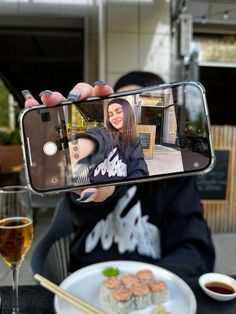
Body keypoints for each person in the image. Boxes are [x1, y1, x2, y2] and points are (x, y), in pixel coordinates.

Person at [23, 71, 215, 278]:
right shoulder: (102, 149)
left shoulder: (176, 179)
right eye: (113, 110)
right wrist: (86, 151)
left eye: (129, 107)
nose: (118, 117)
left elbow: (193, 248)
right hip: (87, 281)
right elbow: (98, 142)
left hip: (151, 288)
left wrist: (151, 285)